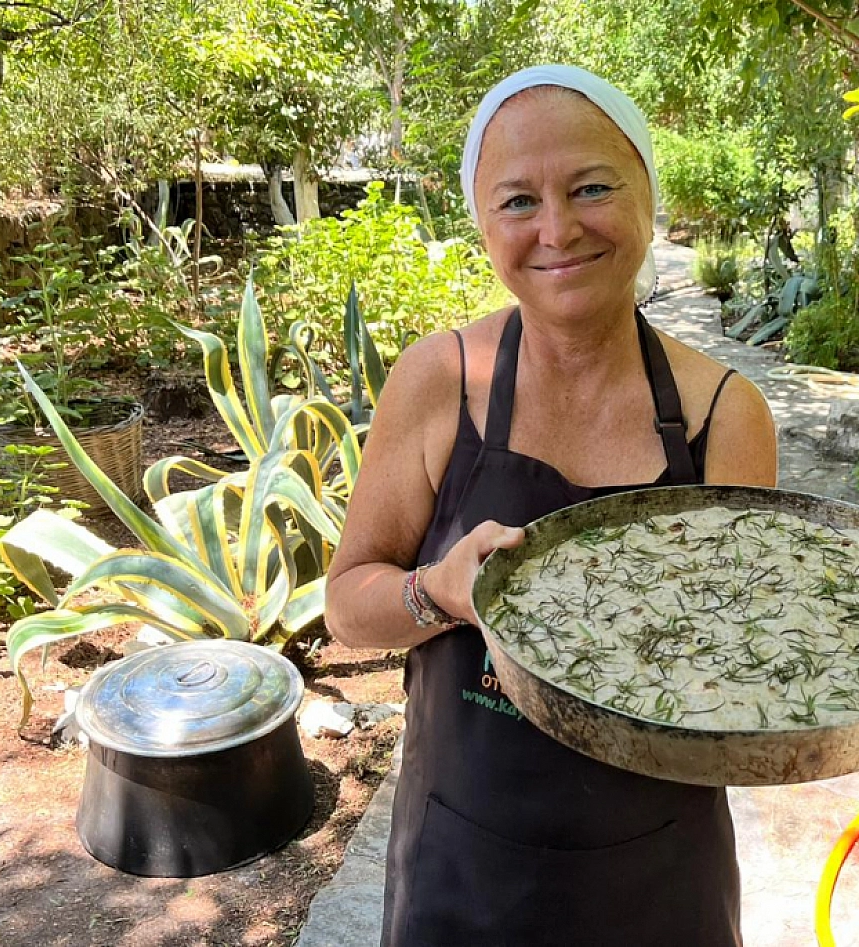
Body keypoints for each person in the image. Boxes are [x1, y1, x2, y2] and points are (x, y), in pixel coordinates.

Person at [324, 64, 779, 947]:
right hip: (462, 874)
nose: (558, 229)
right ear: (482, 224)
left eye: (592, 187)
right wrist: (438, 591)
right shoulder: (439, 380)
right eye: (518, 201)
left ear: (647, 193)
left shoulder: (724, 414)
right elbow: (347, 604)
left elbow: (740, 668)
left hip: (658, 880)